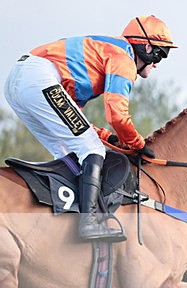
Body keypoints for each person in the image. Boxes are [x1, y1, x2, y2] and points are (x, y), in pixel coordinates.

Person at [3, 15, 177, 242]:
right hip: (37, 78)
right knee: (92, 149)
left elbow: (75, 119)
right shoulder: (124, 59)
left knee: (69, 151)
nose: (157, 64)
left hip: (19, 83)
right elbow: (117, 115)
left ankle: (63, 216)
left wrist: (109, 138)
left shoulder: (105, 54)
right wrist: (137, 144)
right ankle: (89, 222)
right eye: (161, 54)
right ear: (146, 47)